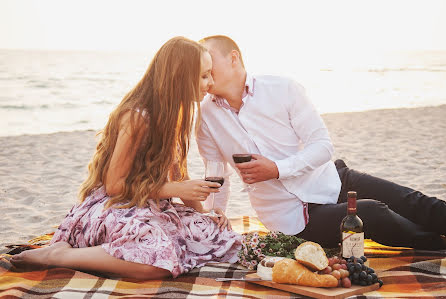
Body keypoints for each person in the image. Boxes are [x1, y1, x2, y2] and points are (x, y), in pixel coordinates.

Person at [10, 36, 242, 279]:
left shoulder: (177, 115)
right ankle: (58, 256)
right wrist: (178, 188)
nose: (210, 82)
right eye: (204, 75)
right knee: (156, 263)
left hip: (151, 205)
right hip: (116, 205)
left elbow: (179, 177)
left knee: (222, 238)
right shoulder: (137, 117)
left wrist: (204, 213)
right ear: (180, 77)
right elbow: (114, 185)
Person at [196, 35, 446, 250]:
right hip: (292, 217)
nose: (204, 70)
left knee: (413, 201)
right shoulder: (206, 116)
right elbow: (217, 175)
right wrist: (215, 215)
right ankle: (438, 245)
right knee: (373, 212)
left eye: (209, 61)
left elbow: (322, 146)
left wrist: (277, 169)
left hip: (330, 179)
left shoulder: (283, 88)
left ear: (233, 58)